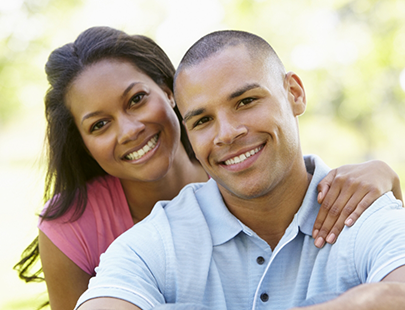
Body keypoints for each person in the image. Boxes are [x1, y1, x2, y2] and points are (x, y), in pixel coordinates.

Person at [14, 27, 402, 310]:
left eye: (246, 101)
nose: (228, 134)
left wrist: (386, 177)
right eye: (202, 120)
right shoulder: (145, 240)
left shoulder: (355, 206)